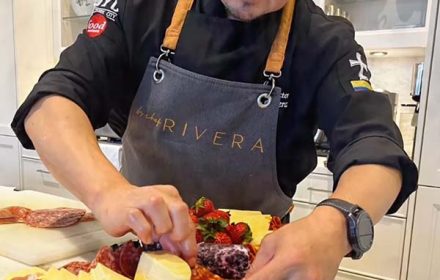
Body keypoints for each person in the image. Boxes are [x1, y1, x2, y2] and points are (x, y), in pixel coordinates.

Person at [12, 0, 418, 279]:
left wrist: (335, 226)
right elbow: (52, 101)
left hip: (260, 263)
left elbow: (375, 145)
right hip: (137, 251)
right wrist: (108, 194)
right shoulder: (142, 7)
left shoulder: (326, 41)